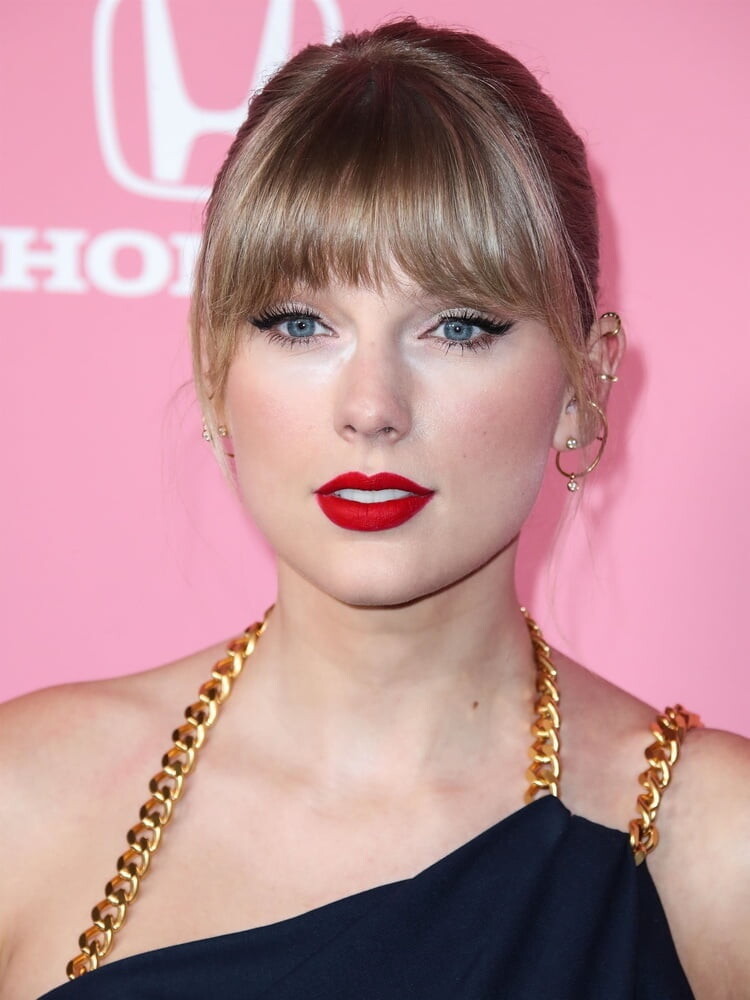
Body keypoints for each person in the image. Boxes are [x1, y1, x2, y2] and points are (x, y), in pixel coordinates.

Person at [1, 17, 747, 1000]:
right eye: (300, 323)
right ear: (217, 367)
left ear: (585, 382)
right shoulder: (25, 796)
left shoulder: (714, 845)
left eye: (458, 326)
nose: (371, 407)